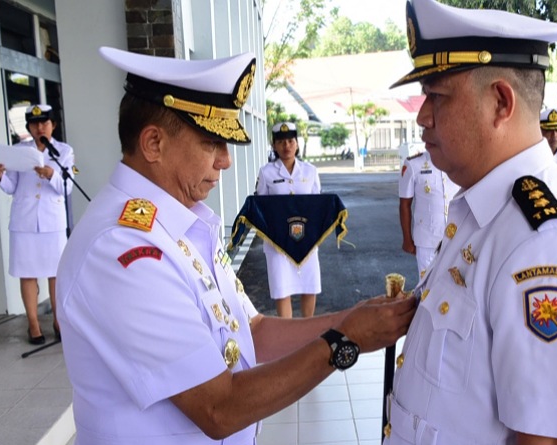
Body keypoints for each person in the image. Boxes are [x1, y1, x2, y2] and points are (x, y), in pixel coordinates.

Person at [56, 47, 416, 445]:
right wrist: (345, 341)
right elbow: (218, 408)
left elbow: (253, 331)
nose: (225, 161)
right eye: (213, 143)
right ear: (153, 143)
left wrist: (352, 318)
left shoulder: (182, 224)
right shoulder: (123, 249)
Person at [384, 1, 557, 443]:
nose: (422, 117)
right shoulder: (481, 208)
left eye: (437, 96)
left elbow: (546, 438)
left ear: (500, 103)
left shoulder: (544, 242)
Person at [0, 104, 74, 345]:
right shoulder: (18, 151)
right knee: (27, 274)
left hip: (52, 222)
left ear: (53, 125)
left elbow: (67, 187)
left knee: (55, 274)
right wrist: (0, 175)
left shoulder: (64, 151)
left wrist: (51, 174)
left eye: (44, 123)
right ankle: (34, 325)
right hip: (24, 221)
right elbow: (11, 187)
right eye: (35, 124)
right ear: (28, 127)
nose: (40, 127)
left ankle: (58, 321)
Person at [255, 122, 322, 318]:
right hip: (278, 241)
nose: (287, 146)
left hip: (306, 238)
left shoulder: (310, 171)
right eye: (281, 142)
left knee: (309, 285)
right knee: (282, 288)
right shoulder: (266, 172)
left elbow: (318, 204)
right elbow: (261, 206)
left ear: (297, 144)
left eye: (291, 141)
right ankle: (288, 333)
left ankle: (307, 328)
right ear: (274, 146)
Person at [398, 149, 456, 280]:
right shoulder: (413, 164)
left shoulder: (458, 162)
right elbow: (404, 205)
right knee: (427, 287)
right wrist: (407, 239)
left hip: (456, 237)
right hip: (427, 240)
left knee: (454, 285)